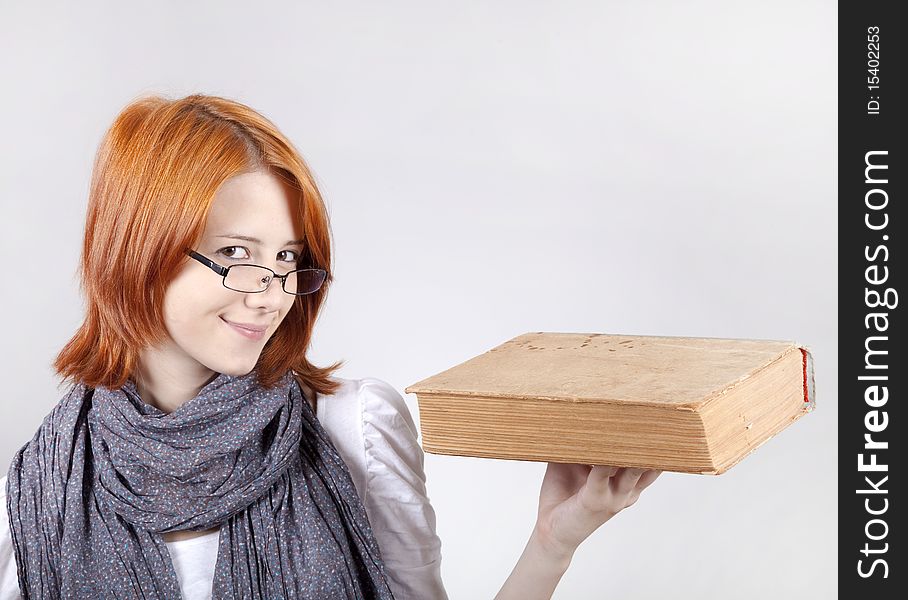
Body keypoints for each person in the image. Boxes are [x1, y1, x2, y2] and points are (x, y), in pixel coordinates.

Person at [0, 94, 660, 599]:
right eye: (237, 254)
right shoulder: (42, 484)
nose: (272, 293)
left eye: (287, 259)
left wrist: (552, 543)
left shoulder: (353, 427)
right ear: (137, 250)